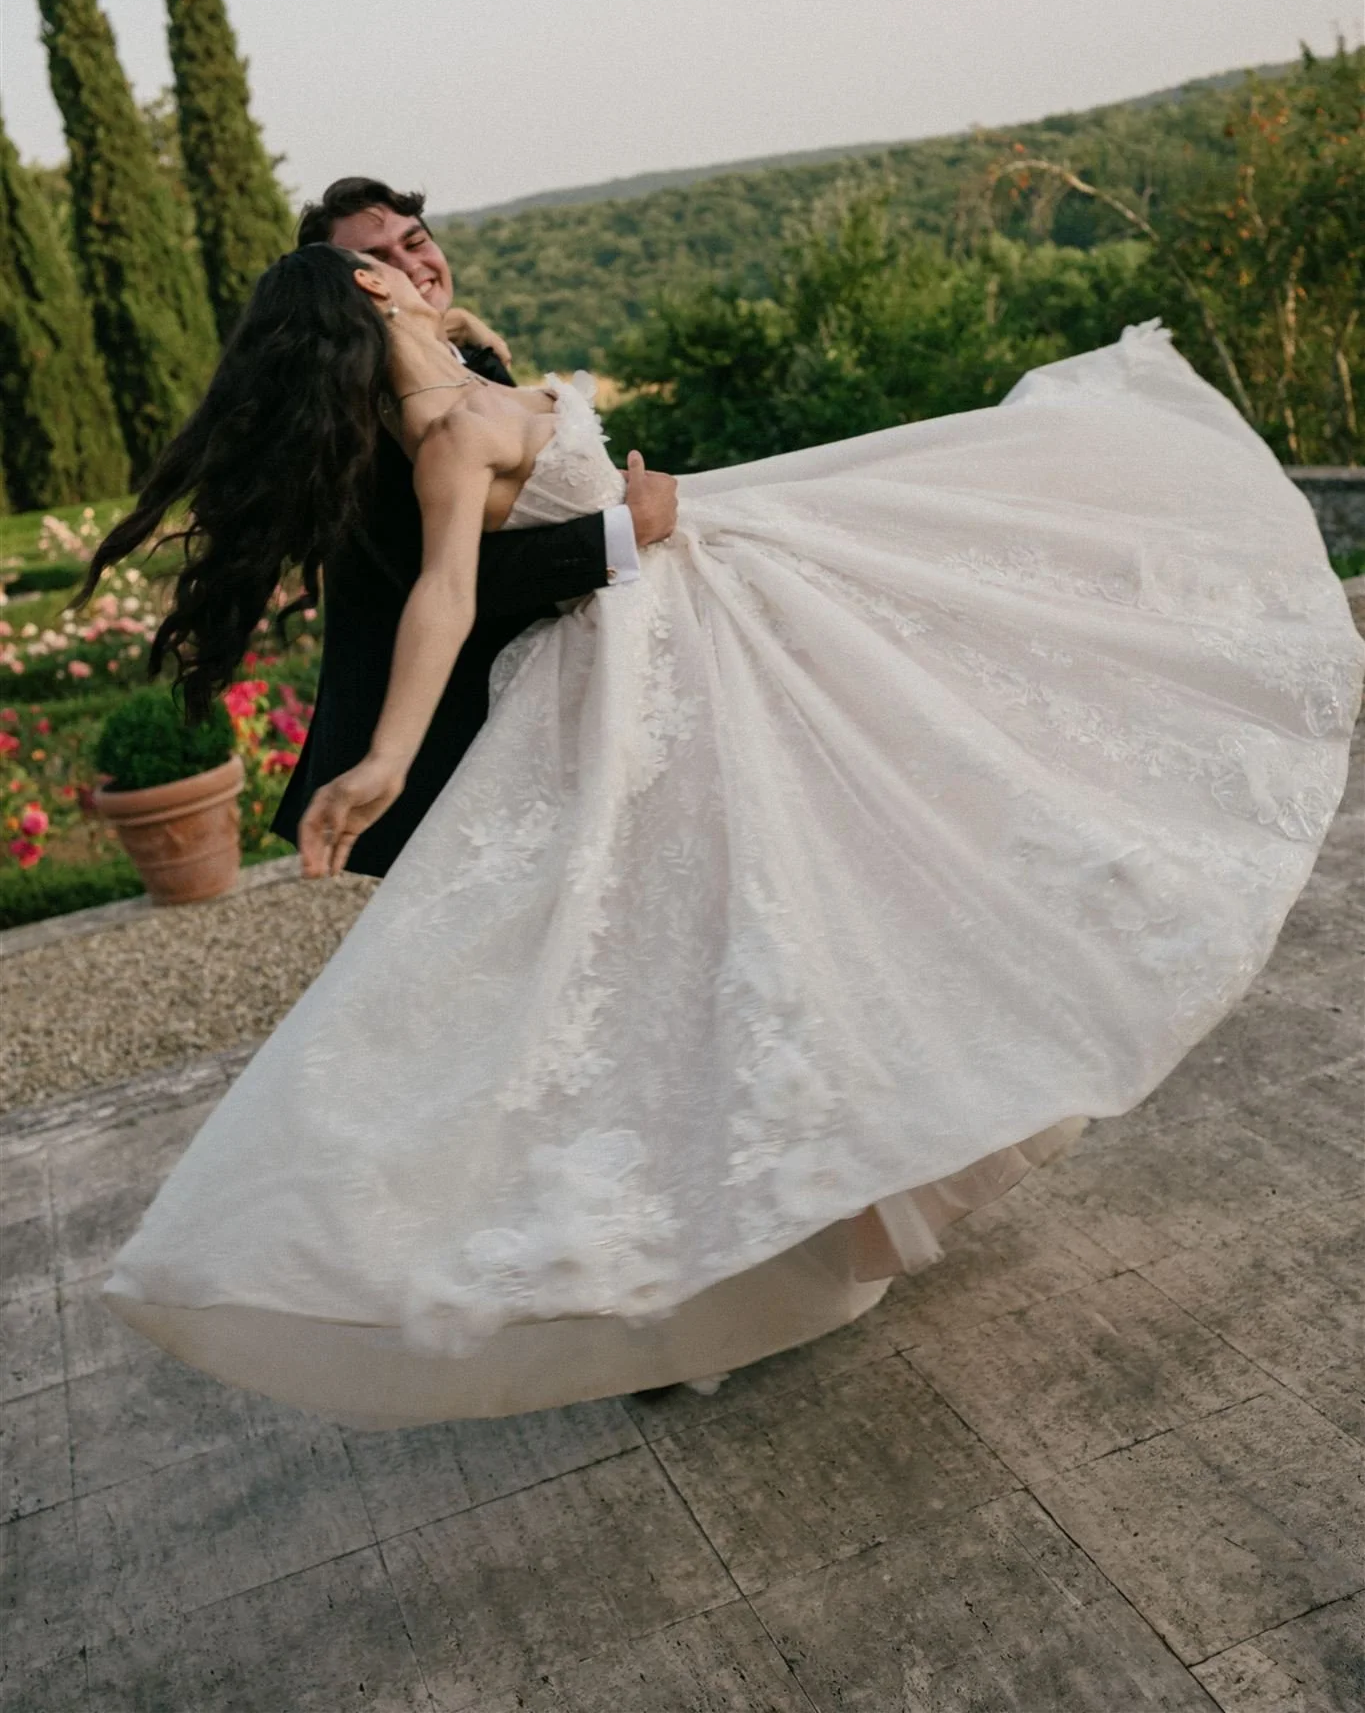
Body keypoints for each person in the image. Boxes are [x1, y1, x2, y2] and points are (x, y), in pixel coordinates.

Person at [92, 247, 1363, 1426]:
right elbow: (446, 592)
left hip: (705, 619)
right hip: (640, 682)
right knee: (700, 949)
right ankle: (702, 1255)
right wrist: (381, 757)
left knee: (821, 889)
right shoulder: (441, 429)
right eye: (400, 264)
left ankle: (816, 1187)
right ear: (370, 288)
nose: (429, 272)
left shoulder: (473, 383)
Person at [271, 177, 679, 876]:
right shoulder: (367, 430)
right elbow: (450, 584)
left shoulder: (465, 360)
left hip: (629, 625)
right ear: (359, 291)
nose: (412, 266)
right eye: (379, 260)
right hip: (483, 706)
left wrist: (451, 328)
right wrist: (623, 530)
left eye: (416, 241)